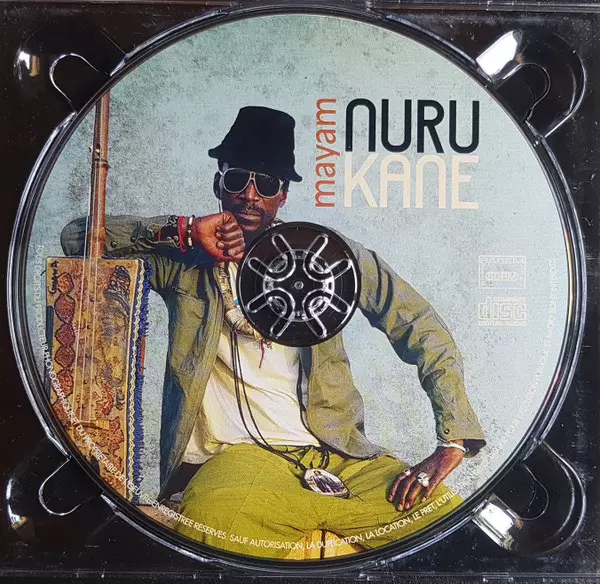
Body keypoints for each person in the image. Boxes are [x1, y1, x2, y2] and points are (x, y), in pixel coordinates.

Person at [60, 106, 486, 558]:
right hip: (237, 459)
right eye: (237, 179)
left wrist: (453, 440)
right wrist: (182, 230)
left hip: (340, 455)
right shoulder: (184, 263)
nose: (249, 195)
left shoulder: (330, 256)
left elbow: (420, 324)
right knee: (215, 533)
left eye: (266, 183)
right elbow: (78, 239)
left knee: (450, 528)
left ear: (282, 195)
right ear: (218, 184)